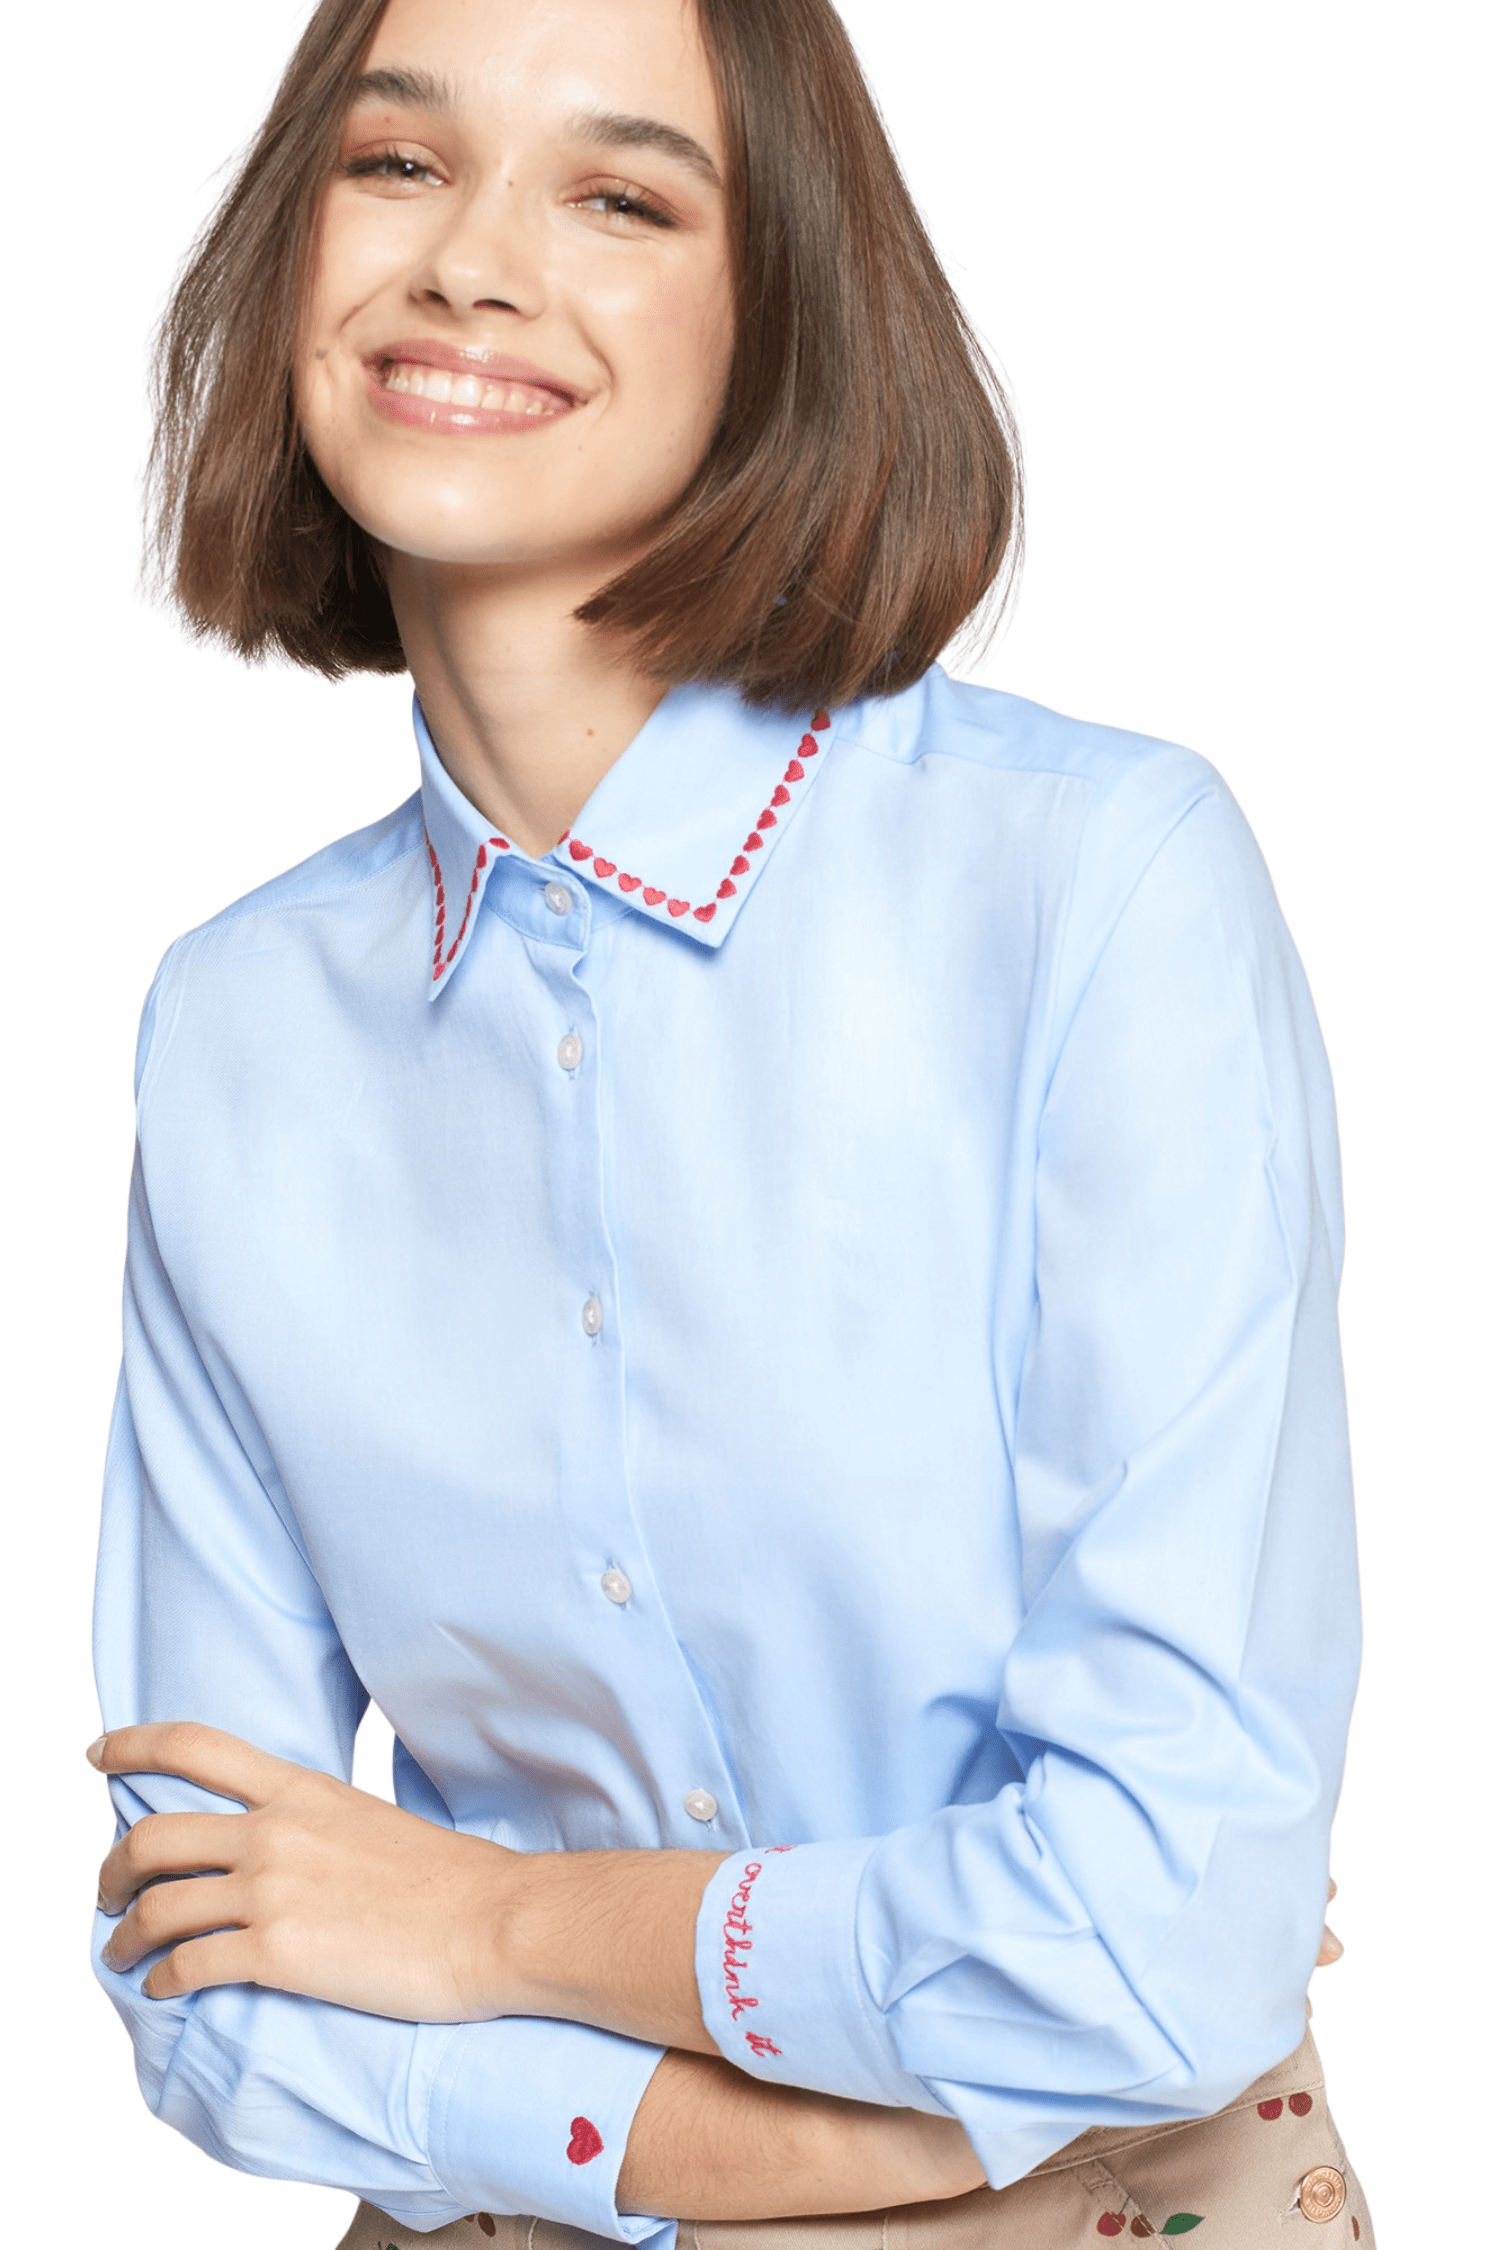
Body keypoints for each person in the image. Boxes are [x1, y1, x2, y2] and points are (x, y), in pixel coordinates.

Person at [87, 0, 1374, 2242]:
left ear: (785, 322)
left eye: (619, 196)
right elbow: (211, 1961)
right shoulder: (237, 1026)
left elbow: (1159, 1933)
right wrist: (716, 2144)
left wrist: (482, 1923)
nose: (472, 262)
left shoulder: (1095, 891)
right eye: (396, 164)